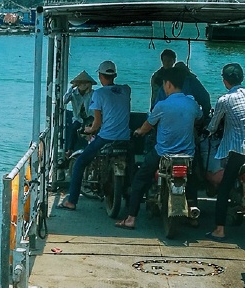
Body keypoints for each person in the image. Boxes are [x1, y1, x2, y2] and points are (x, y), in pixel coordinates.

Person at [115, 64, 199, 230]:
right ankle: (193, 214)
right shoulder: (192, 103)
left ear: (168, 84)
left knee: (140, 179)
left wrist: (139, 131)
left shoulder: (162, 105)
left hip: (163, 153)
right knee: (193, 179)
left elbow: (148, 125)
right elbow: (199, 117)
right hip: (187, 154)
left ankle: (131, 218)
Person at [59, 60, 131, 210]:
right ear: (114, 75)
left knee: (80, 163)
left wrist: (89, 130)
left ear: (100, 76)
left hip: (106, 138)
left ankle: (71, 201)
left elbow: (97, 123)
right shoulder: (126, 90)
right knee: (132, 166)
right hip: (125, 138)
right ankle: (129, 194)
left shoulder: (98, 94)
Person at [206, 62, 245, 240]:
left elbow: (213, 126)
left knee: (224, 188)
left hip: (239, 151)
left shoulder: (224, 100)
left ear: (225, 81)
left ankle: (220, 230)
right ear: (242, 78)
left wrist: (208, 129)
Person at [62, 70, 96, 159]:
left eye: (86, 83)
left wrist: (89, 91)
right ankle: (70, 150)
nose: (84, 85)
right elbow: (64, 100)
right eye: (82, 83)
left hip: (90, 118)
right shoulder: (73, 93)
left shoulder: (92, 93)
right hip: (78, 118)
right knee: (74, 128)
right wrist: (72, 87)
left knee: (93, 129)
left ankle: (92, 149)